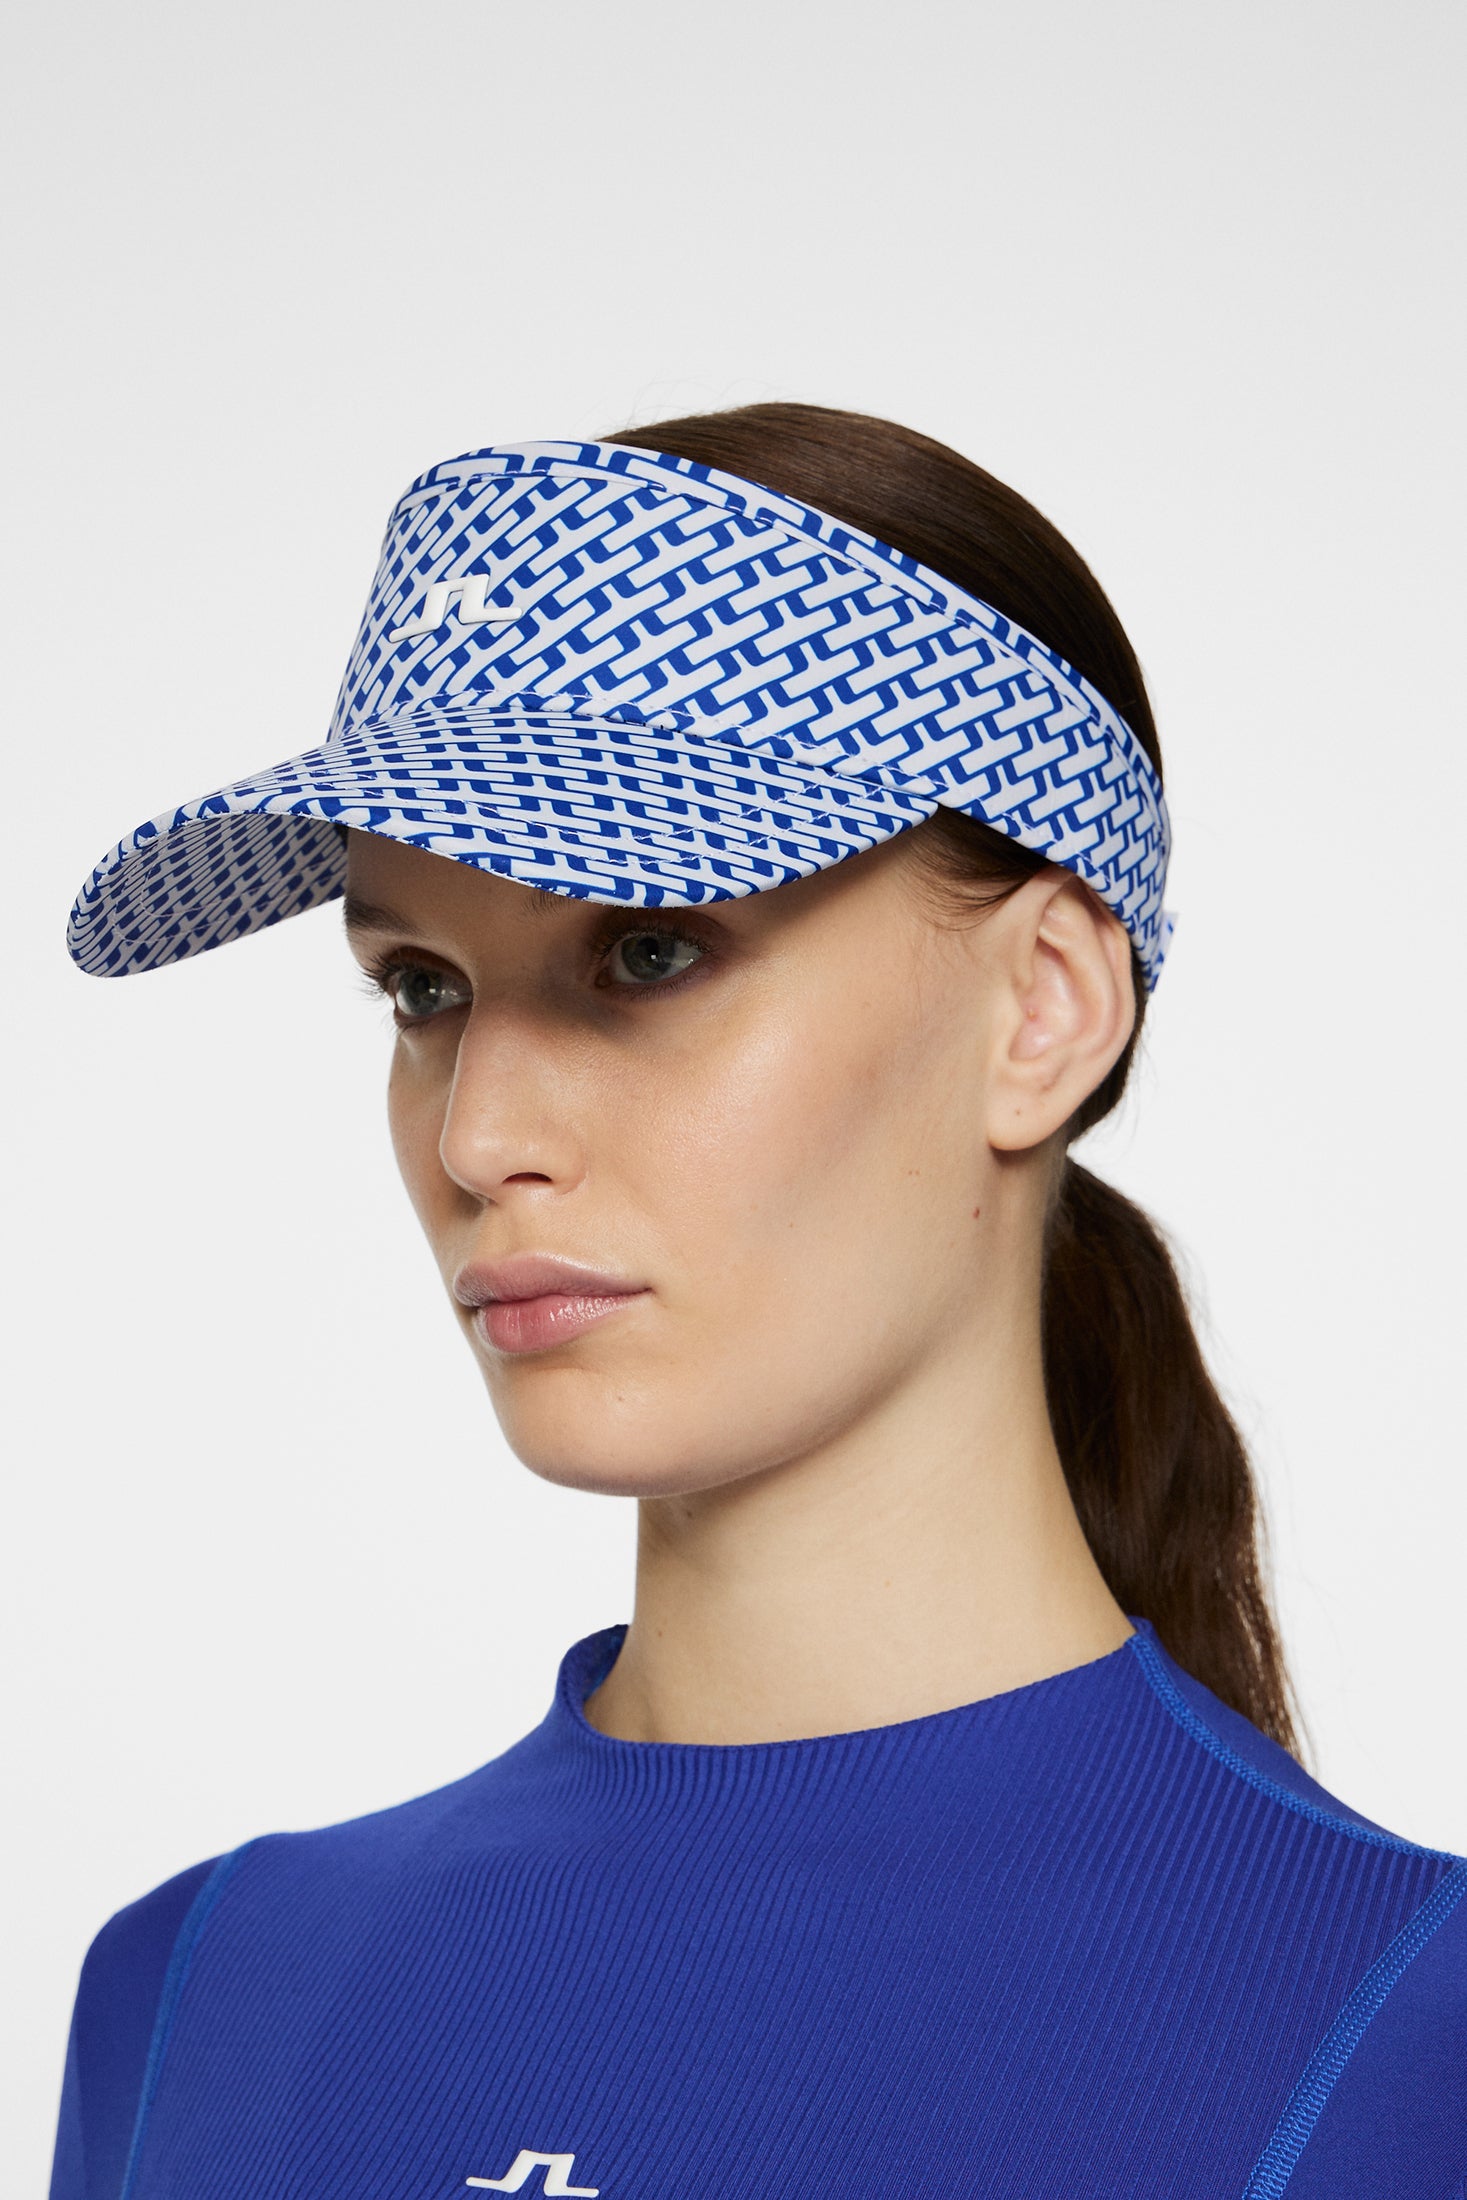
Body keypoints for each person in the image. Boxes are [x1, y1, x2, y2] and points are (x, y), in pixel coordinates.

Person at [52, 405, 1465, 2199]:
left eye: (647, 950)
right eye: (421, 988)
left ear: (1043, 1006)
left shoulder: (1405, 2038)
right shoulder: (193, 1993)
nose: (480, 1135)